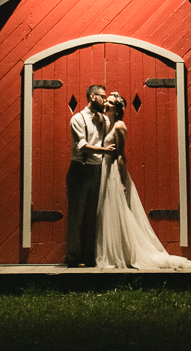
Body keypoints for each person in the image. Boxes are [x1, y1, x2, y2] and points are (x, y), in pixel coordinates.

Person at [95, 92, 191, 269]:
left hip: (114, 172)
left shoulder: (119, 126)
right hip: (105, 170)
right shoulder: (106, 124)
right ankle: (114, 253)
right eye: (107, 102)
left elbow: (121, 155)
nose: (106, 105)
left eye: (110, 103)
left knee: (119, 212)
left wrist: (121, 180)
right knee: (107, 212)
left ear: (117, 109)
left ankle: (128, 254)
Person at [66, 84, 114, 267]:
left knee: (93, 215)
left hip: (98, 169)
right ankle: (74, 258)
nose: (105, 100)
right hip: (80, 169)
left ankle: (90, 257)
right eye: (102, 96)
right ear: (92, 97)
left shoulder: (102, 119)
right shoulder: (77, 119)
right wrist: (104, 150)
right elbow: (82, 146)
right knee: (77, 215)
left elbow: (110, 135)